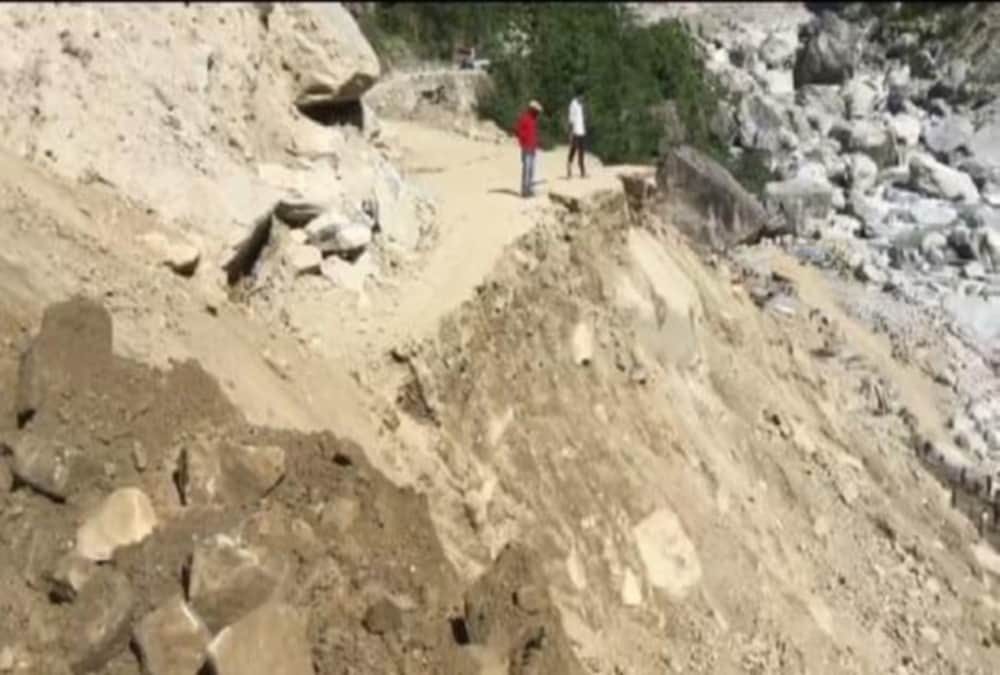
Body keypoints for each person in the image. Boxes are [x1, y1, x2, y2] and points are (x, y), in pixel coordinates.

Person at [515, 100, 543, 198]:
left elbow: (534, 133)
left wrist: (537, 143)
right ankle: (524, 191)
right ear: (532, 110)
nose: (537, 113)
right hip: (526, 147)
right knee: (526, 169)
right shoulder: (525, 118)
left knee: (531, 169)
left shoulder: (534, 120)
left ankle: (529, 189)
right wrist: (524, 140)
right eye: (536, 111)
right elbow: (518, 131)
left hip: (533, 147)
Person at [567, 87, 586, 179]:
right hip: (575, 131)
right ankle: (569, 166)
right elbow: (571, 119)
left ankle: (582, 170)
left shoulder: (581, 104)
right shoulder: (573, 104)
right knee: (573, 149)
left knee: (582, 151)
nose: (583, 98)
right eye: (582, 96)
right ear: (578, 95)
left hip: (581, 131)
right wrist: (570, 132)